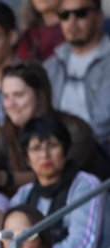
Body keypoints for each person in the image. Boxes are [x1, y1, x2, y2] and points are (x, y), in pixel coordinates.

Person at [0, 63, 110, 192]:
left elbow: (53, 175)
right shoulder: (8, 131)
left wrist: (5, 179)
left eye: (19, 95)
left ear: (40, 95)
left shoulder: (75, 130)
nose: (10, 104)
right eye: (6, 97)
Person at [8, 115, 104, 248]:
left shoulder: (86, 184)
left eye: (52, 145)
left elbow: (83, 243)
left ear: (66, 150)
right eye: (36, 148)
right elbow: (1, 246)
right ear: (26, 159)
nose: (45, 155)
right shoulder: (22, 195)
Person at [44, 0, 110, 152]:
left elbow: (105, 123)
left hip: (100, 149)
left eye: (81, 14)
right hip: (54, 149)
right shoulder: (50, 65)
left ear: (99, 17)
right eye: (64, 15)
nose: (71, 22)